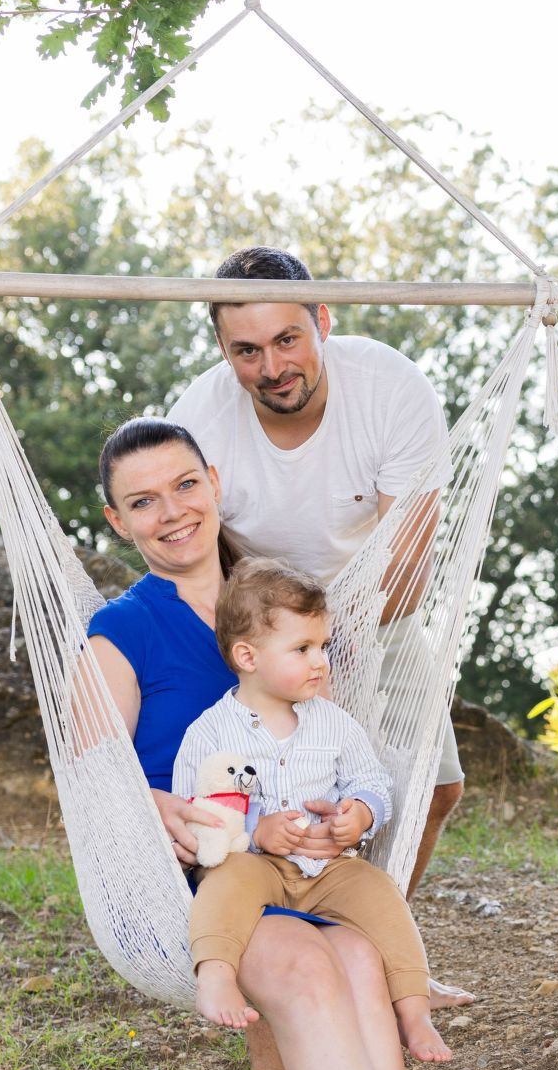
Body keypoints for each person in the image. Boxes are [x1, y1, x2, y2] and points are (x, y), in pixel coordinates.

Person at [84, 417, 538, 1070]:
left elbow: (342, 728)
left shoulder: (280, 599)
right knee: (301, 967)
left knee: (362, 958)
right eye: (142, 502)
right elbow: (89, 774)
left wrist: (346, 815)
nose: (171, 512)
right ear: (118, 522)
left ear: (215, 481)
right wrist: (174, 811)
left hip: (313, 861)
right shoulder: (121, 630)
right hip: (207, 867)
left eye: (185, 486)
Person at [168, 247, 471, 952]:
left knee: (433, 788)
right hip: (256, 616)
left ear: (323, 320)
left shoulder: (391, 387)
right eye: (246, 351)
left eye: (286, 340)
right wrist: (261, 655)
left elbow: (409, 566)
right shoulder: (199, 418)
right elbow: (194, 557)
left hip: (376, 607)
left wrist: (334, 648)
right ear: (221, 349)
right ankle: (282, 946)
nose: (271, 368)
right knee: (274, 789)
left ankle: (370, 943)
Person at [173, 556, 449, 1064]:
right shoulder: (209, 732)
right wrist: (256, 832)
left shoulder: (335, 724)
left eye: (322, 645)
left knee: (381, 895)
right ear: (247, 656)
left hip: (326, 867)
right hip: (252, 865)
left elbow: (372, 781)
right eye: (302, 648)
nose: (320, 660)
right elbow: (197, 811)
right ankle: (214, 975)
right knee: (223, 884)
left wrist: (360, 814)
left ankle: (414, 1010)